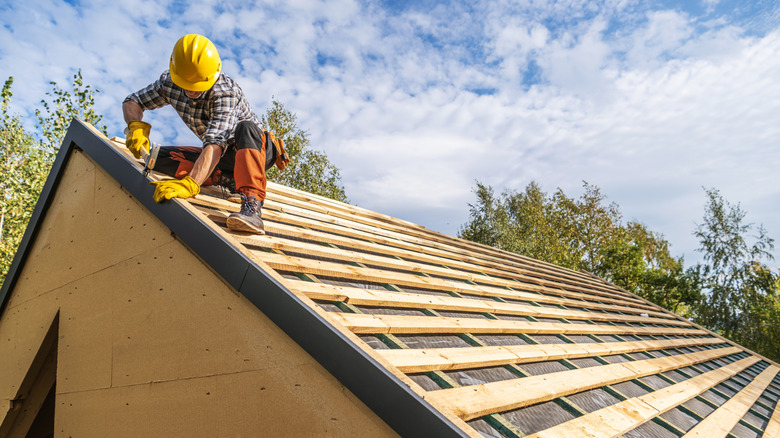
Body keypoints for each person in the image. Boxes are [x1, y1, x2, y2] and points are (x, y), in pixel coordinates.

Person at [122, 34, 272, 235]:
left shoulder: (226, 92)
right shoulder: (169, 82)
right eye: (186, 84)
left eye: (198, 85)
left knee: (246, 127)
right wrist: (135, 126)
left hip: (253, 150)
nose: (191, 91)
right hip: (221, 157)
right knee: (155, 157)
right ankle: (229, 180)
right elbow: (133, 101)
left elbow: (215, 143)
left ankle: (252, 206)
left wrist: (191, 183)